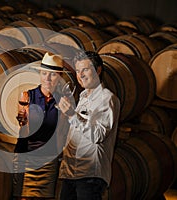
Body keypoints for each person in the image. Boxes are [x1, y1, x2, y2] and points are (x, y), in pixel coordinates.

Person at [57, 51, 120, 200]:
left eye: (85, 69)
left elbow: (97, 135)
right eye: (78, 71)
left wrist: (72, 115)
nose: (81, 75)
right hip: (71, 172)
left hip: (89, 175)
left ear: (98, 70)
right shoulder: (83, 97)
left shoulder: (107, 98)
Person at [12, 52, 71, 200]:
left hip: (49, 161)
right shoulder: (27, 96)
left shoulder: (62, 101)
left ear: (59, 77)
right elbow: (22, 129)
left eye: (53, 75)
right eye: (44, 73)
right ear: (40, 74)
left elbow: (63, 134)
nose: (48, 78)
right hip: (27, 158)